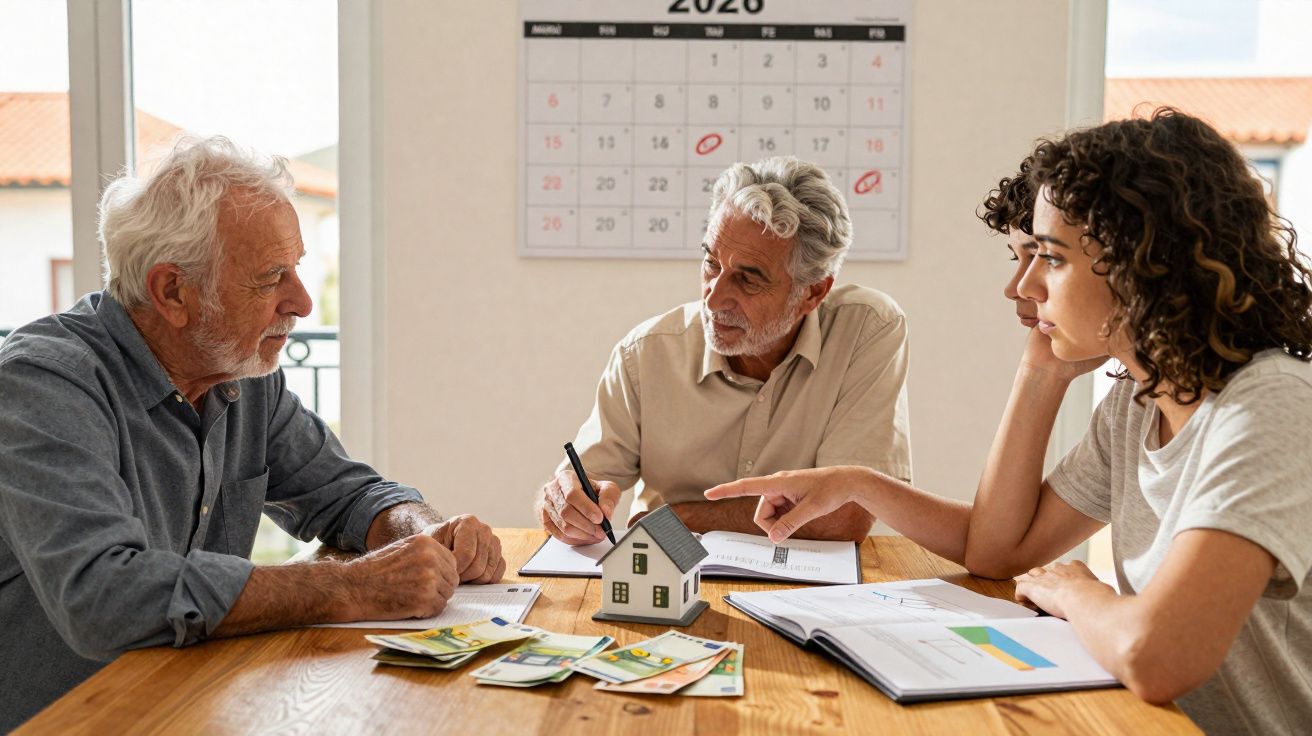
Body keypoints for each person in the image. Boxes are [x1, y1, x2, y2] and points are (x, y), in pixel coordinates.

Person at [705, 109, 1312, 732]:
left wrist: (1078, 592)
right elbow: (998, 552)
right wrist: (862, 479)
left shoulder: (1270, 406)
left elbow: (1155, 657)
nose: (1021, 285)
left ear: (1143, 264)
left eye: (1049, 257)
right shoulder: (1138, 404)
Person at [0, 136, 506, 727]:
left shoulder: (238, 371)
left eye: (297, 270)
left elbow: (349, 494)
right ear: (172, 292)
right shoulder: (43, 383)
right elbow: (103, 597)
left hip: (193, 704)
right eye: (271, 279)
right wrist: (351, 587)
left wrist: (423, 533)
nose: (303, 302)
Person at [536, 156, 911, 545]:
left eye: (747, 280)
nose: (714, 300)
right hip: (669, 576)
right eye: (711, 264)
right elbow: (578, 489)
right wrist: (566, 507)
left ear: (813, 292)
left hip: (806, 592)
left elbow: (846, 516)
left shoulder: (867, 329)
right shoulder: (644, 354)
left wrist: (677, 517)